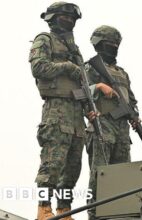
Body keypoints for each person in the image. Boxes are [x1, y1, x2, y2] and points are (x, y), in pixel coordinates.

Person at [29, 2, 84, 219]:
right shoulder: (44, 39)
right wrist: (66, 67)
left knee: (72, 168)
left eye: (72, 18)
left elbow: (81, 84)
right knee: (52, 164)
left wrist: (89, 109)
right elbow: (38, 67)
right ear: (52, 18)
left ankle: (64, 210)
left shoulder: (74, 49)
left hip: (77, 114)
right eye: (64, 17)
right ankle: (43, 208)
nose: (69, 21)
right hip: (56, 110)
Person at [84, 25, 139, 220]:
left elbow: (131, 99)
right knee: (100, 175)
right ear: (98, 44)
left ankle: (119, 214)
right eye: (109, 44)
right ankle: (94, 213)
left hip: (122, 128)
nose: (113, 48)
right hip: (101, 125)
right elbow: (78, 92)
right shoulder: (89, 68)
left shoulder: (122, 73)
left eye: (116, 45)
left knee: (123, 174)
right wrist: (98, 87)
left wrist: (135, 115)